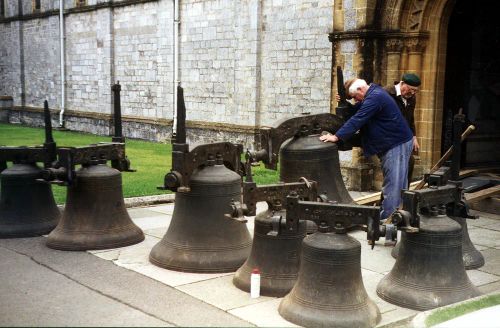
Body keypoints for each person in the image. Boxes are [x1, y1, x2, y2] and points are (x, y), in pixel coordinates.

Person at [320, 78, 413, 224]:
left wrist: (337, 137)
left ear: (360, 90)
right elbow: (357, 110)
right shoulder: (373, 93)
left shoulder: (375, 97)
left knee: (394, 185)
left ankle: (387, 223)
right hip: (395, 142)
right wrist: (345, 103)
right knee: (398, 184)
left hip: (395, 144)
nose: (356, 100)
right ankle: (398, 217)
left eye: (356, 97)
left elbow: (358, 118)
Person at [384, 73, 421, 183]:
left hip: (401, 138)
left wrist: (414, 136)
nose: (413, 93)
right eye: (411, 89)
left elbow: (410, 119)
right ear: (402, 83)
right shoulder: (386, 93)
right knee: (393, 172)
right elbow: (365, 98)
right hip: (386, 138)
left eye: (416, 91)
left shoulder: (411, 98)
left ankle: (403, 197)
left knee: (409, 163)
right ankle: (388, 199)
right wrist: (346, 95)